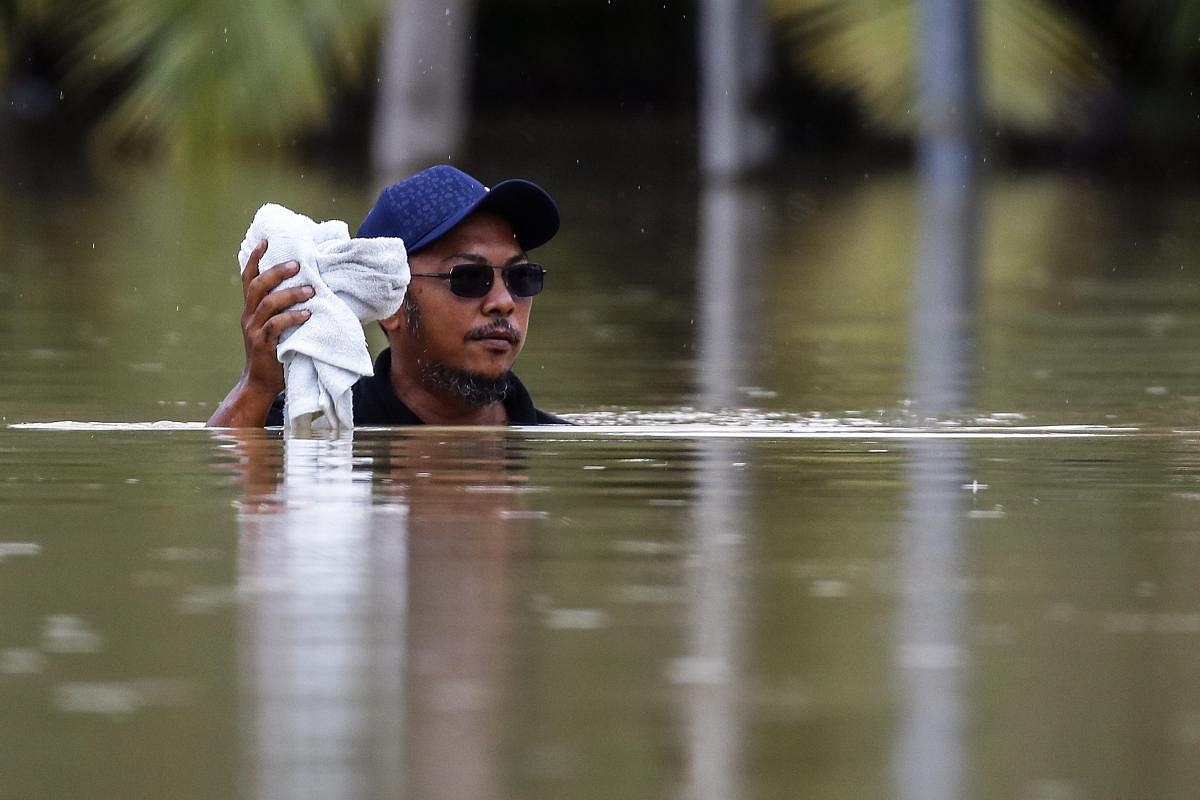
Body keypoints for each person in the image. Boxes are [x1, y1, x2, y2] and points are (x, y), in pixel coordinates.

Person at [206, 165, 569, 427]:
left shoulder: (557, 445)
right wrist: (258, 384)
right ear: (389, 303)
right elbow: (223, 480)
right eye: (470, 278)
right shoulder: (310, 428)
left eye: (520, 277)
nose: (503, 301)